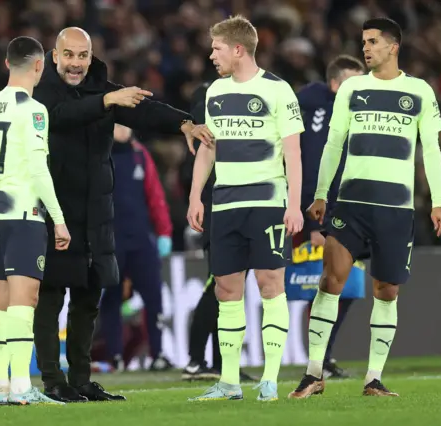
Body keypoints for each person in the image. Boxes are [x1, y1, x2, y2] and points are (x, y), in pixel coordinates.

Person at [31, 27, 199, 403]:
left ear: (91, 57)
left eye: (83, 56)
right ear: (54, 56)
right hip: (55, 213)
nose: (76, 63)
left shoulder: (101, 89)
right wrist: (108, 100)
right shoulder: (41, 90)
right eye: (69, 55)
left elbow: (143, 107)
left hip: (96, 214)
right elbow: (58, 116)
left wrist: (183, 122)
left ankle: (80, 379)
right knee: (51, 298)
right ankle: (52, 380)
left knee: (89, 299)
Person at [288, 18, 441, 399]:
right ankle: (314, 374)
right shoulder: (352, 89)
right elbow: (332, 143)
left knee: (387, 290)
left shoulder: (419, 91)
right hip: (351, 205)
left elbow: (432, 150)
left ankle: (373, 378)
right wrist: (321, 193)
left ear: (393, 47)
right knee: (330, 280)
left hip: (395, 209)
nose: (366, 48)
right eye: (363, 41)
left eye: (373, 42)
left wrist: (439, 202)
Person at [187, 15, 305, 402]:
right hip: (225, 204)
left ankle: (269, 379)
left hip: (267, 204)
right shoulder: (214, 92)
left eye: (217, 48)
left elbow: (293, 152)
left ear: (238, 49)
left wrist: (294, 205)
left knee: (270, 285)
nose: (211, 54)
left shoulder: (277, 90)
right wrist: (195, 196)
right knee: (225, 289)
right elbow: (208, 147)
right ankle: (230, 381)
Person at [0, 36, 70, 406]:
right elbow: (39, 170)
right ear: (39, 66)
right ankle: (22, 387)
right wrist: (58, 219)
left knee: (1, 301)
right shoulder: (34, 109)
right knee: (26, 300)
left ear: (8, 64)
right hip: (24, 214)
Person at [284, 55, 366, 379]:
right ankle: (315, 360)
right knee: (318, 285)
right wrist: (316, 223)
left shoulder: (352, 112)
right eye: (352, 82)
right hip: (316, 213)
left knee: (344, 286)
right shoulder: (320, 109)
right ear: (335, 84)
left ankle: (323, 356)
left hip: (347, 210)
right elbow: (312, 164)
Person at [180, 82, 257, 383]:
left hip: (229, 208)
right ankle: (197, 361)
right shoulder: (209, 125)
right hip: (220, 210)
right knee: (220, 286)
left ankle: (217, 362)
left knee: (226, 289)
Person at [99, 124, 173, 372]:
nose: (125, 129)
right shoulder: (100, 154)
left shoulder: (140, 154)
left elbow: (155, 195)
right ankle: (116, 356)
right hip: (111, 239)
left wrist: (164, 232)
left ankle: (158, 353)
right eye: (120, 124)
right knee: (111, 298)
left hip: (141, 238)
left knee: (154, 297)